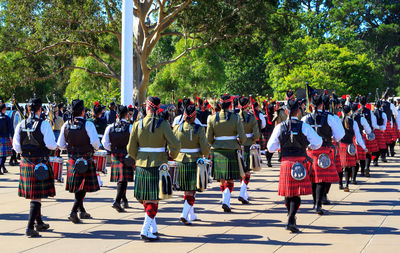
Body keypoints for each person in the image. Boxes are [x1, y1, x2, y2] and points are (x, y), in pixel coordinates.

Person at [127, 96, 180, 242]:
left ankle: (152, 228)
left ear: (147, 107)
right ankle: (145, 230)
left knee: (146, 198)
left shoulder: (137, 124)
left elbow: (130, 148)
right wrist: (171, 155)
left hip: (142, 165)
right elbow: (175, 145)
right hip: (158, 165)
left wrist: (139, 157)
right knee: (154, 199)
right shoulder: (163, 124)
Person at [267, 98, 322, 232]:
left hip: (286, 162)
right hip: (300, 161)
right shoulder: (304, 126)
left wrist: (280, 146)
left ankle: (290, 217)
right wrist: (309, 146)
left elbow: (270, 147)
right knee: (296, 194)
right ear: (298, 112)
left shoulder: (280, 126)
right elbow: (318, 142)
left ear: (286, 111)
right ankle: (292, 217)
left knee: (288, 193)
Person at [12, 98, 57, 237]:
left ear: (28, 109)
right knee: (36, 197)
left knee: (35, 195)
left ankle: (39, 223)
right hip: (40, 163)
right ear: (39, 109)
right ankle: (30, 227)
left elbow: (17, 148)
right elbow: (51, 145)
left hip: (26, 162)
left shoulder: (20, 124)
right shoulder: (44, 124)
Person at [57, 99, 101, 224]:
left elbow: (60, 145)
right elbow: (96, 143)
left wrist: (71, 148)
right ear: (82, 111)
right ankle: (73, 211)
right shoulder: (88, 124)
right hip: (86, 158)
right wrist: (93, 149)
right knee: (81, 188)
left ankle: (82, 211)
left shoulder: (66, 124)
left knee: (79, 187)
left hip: (72, 159)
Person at [302, 93, 345, 215]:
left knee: (313, 178)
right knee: (321, 179)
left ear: (311, 105)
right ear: (322, 104)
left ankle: (315, 202)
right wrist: (334, 139)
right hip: (325, 150)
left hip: (310, 151)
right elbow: (340, 135)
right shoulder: (330, 117)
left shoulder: (306, 118)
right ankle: (318, 204)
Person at [206, 94, 247, 213]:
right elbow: (242, 137)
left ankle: (225, 199)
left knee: (222, 179)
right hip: (231, 150)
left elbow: (208, 139)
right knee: (230, 180)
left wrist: (217, 143)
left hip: (218, 150)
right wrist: (238, 142)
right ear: (230, 104)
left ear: (219, 104)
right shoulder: (235, 118)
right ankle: (226, 201)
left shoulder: (212, 118)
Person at [173, 103, 209, 225]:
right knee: (192, 190)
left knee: (186, 190)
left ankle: (190, 214)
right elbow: (205, 149)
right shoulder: (199, 129)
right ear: (194, 117)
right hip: (194, 160)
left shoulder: (177, 128)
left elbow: (172, 146)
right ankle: (184, 214)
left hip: (181, 160)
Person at [102, 105, 134, 212]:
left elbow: (105, 143)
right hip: (126, 154)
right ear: (127, 115)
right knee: (123, 179)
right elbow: (134, 142)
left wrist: (113, 150)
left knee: (121, 179)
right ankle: (117, 201)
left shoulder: (109, 127)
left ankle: (124, 200)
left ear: (116, 115)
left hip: (115, 155)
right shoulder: (130, 127)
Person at [237, 97, 260, 204]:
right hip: (248, 145)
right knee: (247, 171)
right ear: (248, 106)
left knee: (241, 171)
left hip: (237, 145)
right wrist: (252, 140)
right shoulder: (251, 118)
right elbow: (256, 136)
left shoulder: (235, 117)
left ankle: (244, 193)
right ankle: (242, 192)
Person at [339, 105, 366, 192]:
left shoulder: (339, 122)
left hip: (341, 146)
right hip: (350, 146)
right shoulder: (353, 122)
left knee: (340, 166)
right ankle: (346, 183)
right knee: (348, 167)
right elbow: (358, 136)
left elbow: (336, 136)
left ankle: (340, 183)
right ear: (350, 112)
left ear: (342, 112)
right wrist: (364, 147)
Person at [351, 102, 372, 183]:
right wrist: (367, 132)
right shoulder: (361, 118)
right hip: (358, 137)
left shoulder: (346, 118)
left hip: (348, 139)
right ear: (357, 109)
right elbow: (368, 129)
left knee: (352, 159)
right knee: (362, 156)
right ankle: (363, 170)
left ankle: (350, 178)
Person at [372, 100, 387, 166]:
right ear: (381, 106)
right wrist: (381, 128)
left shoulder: (372, 113)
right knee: (382, 146)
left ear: (375, 105)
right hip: (381, 132)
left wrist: (377, 127)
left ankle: (374, 160)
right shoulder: (383, 114)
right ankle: (383, 157)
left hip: (374, 131)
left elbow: (373, 125)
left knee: (374, 148)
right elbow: (385, 125)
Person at [0, 102, 13, 174]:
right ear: (3, 110)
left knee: (1, 155)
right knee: (3, 156)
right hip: (4, 138)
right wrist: (12, 136)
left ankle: (3, 168)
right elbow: (11, 128)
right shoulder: (7, 118)